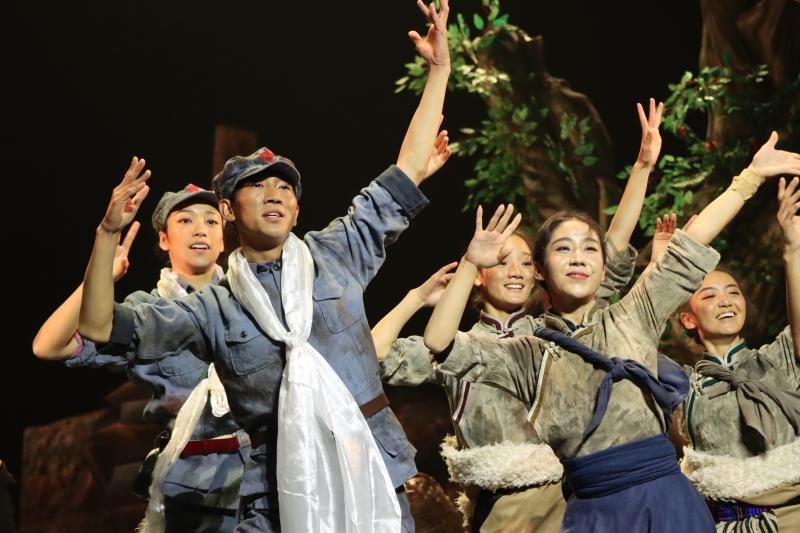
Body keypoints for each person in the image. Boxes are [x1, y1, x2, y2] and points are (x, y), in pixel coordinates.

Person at [77, 2, 452, 530]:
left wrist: (438, 72)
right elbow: (98, 326)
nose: (274, 193)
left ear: (296, 209)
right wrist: (106, 234)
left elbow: (406, 171)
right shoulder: (214, 307)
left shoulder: (335, 254)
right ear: (229, 210)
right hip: (275, 495)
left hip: (370, 468)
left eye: (284, 187)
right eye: (257, 186)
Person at [422, 133, 800, 531]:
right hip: (595, 515)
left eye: (589, 248)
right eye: (563, 249)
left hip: (668, 502)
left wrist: (751, 176)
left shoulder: (633, 314)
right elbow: (438, 341)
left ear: (604, 266)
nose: (578, 258)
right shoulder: (529, 353)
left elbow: (692, 241)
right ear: (540, 269)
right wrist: (471, 263)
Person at [372, 98, 665, 533]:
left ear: (539, 273)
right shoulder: (457, 346)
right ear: (478, 273)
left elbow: (611, 251)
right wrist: (415, 298)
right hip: (501, 507)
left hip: (569, 495)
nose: (515, 271)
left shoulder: (555, 333)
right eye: (501, 260)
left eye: (526, 262)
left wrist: (641, 168)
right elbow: (373, 356)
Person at [33, 184, 246, 532]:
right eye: (186, 220)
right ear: (164, 239)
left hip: (259, 477)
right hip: (192, 489)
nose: (200, 229)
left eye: (211, 221)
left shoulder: (249, 301)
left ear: (223, 240)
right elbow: (49, 346)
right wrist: (102, 273)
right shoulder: (143, 312)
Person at [676, 175, 800, 531]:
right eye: (709, 295)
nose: (726, 301)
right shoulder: (682, 385)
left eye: (733, 292)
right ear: (688, 318)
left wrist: (792, 250)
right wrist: (664, 269)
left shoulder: (775, 360)